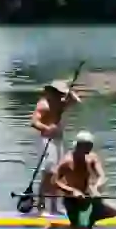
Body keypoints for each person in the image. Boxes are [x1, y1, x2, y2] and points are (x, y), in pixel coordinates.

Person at [50, 131, 116, 229]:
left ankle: (86, 225)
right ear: (79, 146)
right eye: (88, 146)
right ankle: (60, 226)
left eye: (91, 146)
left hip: (88, 196)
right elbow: (54, 181)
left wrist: (96, 187)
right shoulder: (67, 161)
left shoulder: (92, 157)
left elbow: (102, 176)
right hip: (72, 200)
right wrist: (72, 191)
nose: (90, 149)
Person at [30, 79, 82, 215]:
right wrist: (47, 128)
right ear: (51, 92)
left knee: (59, 173)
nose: (60, 95)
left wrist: (70, 92)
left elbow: (77, 101)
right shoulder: (43, 104)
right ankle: (41, 207)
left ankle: (54, 207)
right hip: (46, 140)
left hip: (59, 140)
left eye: (61, 93)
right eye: (58, 93)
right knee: (48, 173)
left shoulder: (62, 103)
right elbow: (34, 122)